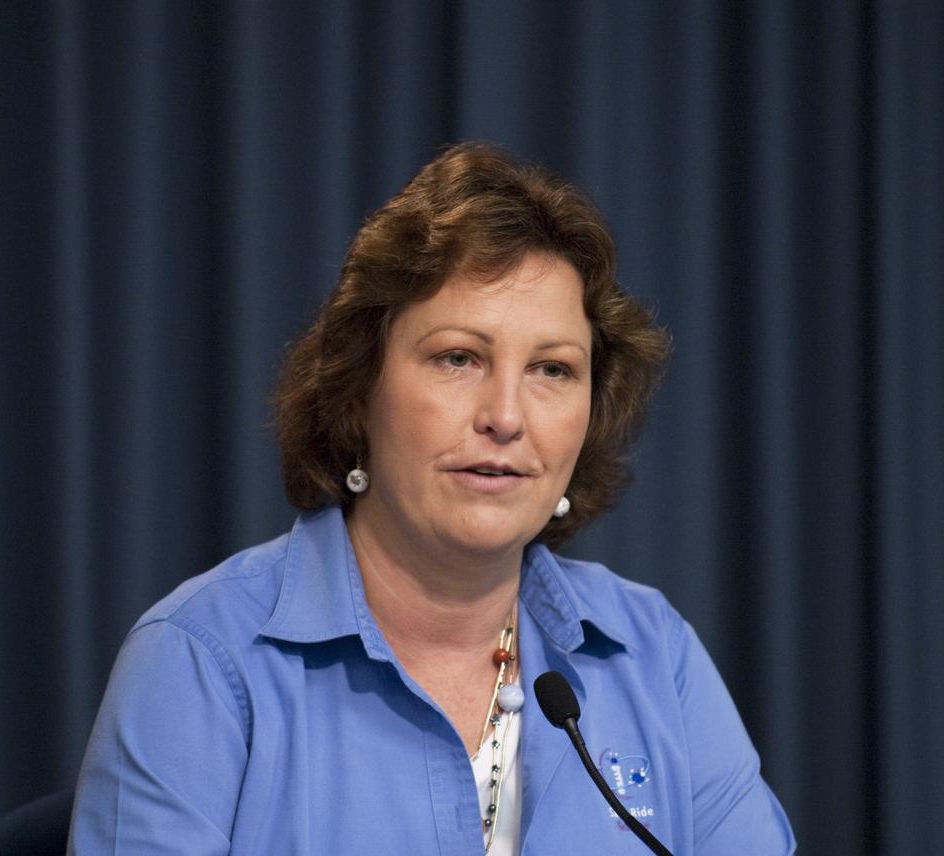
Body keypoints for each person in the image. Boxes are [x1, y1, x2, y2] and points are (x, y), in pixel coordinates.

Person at [68, 142, 795, 855]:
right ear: (360, 391)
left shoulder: (651, 655)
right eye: (458, 358)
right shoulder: (201, 662)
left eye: (551, 369)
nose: (506, 416)